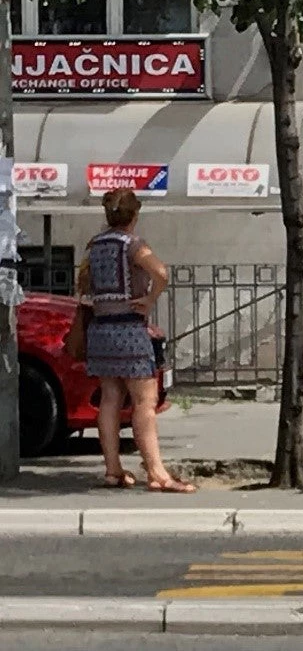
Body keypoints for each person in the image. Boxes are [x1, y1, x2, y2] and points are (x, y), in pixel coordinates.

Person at [77, 189, 194, 493]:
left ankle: (113, 470)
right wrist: (150, 298)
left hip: (100, 330)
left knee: (110, 399)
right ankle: (156, 473)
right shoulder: (132, 244)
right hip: (129, 330)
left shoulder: (95, 246)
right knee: (145, 401)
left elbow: (85, 286)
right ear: (134, 215)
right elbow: (161, 273)